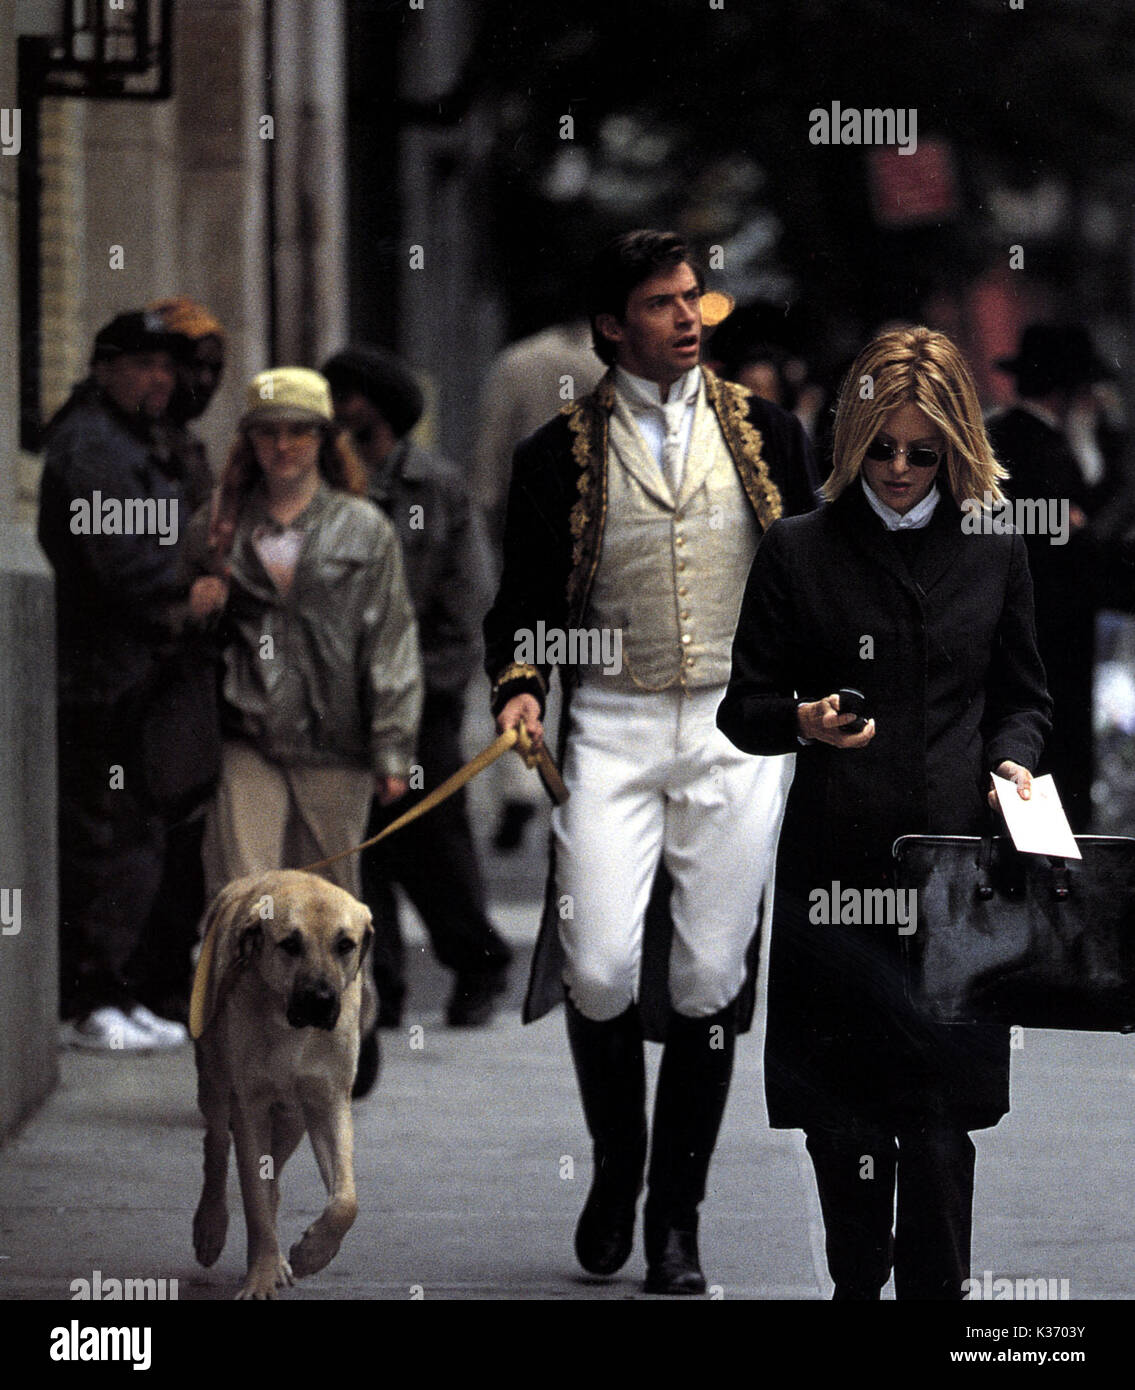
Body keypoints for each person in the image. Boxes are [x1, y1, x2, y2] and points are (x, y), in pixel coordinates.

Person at [484, 229, 818, 1295]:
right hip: (616, 723)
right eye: (661, 302)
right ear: (610, 325)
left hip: (736, 723)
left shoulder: (768, 431)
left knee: (712, 974)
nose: (685, 316)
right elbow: (522, 602)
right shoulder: (557, 454)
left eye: (692, 297)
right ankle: (617, 1165)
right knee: (596, 965)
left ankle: (676, 1217)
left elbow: (812, 571)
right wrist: (523, 682)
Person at [717, 325, 1052, 1300]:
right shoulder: (797, 549)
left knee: (941, 1131)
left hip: (959, 886)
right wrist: (802, 718)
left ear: (955, 445)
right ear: (852, 438)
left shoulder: (994, 545)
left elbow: (1024, 696)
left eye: (923, 450)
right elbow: (743, 706)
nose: (899, 470)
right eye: (881, 448)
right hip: (838, 882)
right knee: (849, 1128)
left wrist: (1013, 762)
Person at [183, 367, 422, 949]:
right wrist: (194, 604)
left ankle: (346, 1038)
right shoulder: (218, 528)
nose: (282, 446)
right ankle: (236, 1035)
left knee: (331, 910)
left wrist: (393, 747)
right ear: (249, 440)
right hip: (250, 738)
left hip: (337, 743)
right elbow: (178, 630)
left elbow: (390, 640)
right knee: (241, 899)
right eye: (267, 433)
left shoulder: (364, 530)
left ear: (324, 439)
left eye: (298, 431)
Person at [321, 345, 513, 1040]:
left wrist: (421, 688)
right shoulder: (323, 482)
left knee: (434, 847)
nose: (338, 408)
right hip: (340, 705)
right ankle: (383, 993)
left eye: (350, 395)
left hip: (420, 702)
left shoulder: (436, 486)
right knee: (360, 853)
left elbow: (467, 603)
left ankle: (478, 965)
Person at [38, 309, 197, 1051]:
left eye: (167, 366)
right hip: (99, 680)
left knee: (133, 840)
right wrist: (188, 586)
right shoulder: (94, 445)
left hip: (134, 676)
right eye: (142, 364)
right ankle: (87, 999)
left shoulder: (138, 441)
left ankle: (112, 989)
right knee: (101, 842)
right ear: (104, 368)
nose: (159, 379)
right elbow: (116, 558)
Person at [987, 323, 1110, 831]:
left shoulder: (996, 435)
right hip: (1052, 635)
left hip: (1010, 628)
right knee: (1052, 755)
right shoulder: (1050, 451)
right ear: (1069, 392)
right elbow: (1075, 543)